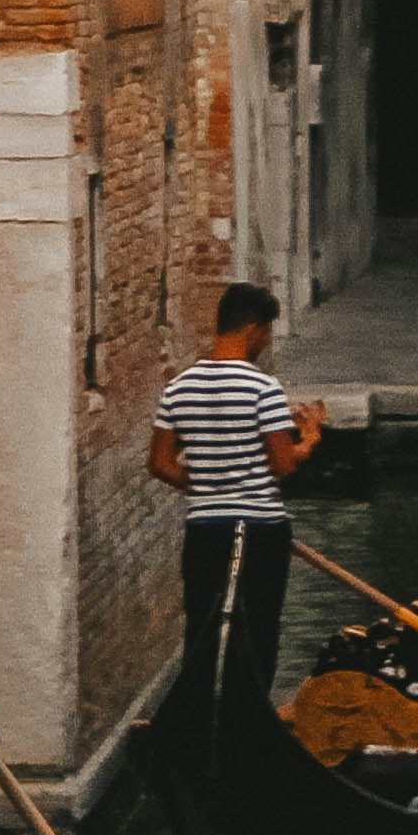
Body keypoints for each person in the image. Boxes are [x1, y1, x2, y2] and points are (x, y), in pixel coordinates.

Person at [150, 283, 327, 741]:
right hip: (261, 529)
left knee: (203, 625)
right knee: (258, 628)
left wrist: (209, 483)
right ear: (252, 329)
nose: (266, 342)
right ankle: (247, 727)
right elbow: (283, 465)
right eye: (266, 332)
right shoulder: (263, 389)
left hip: (205, 528)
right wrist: (309, 438)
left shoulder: (178, 387)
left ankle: (195, 727)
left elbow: (160, 464)